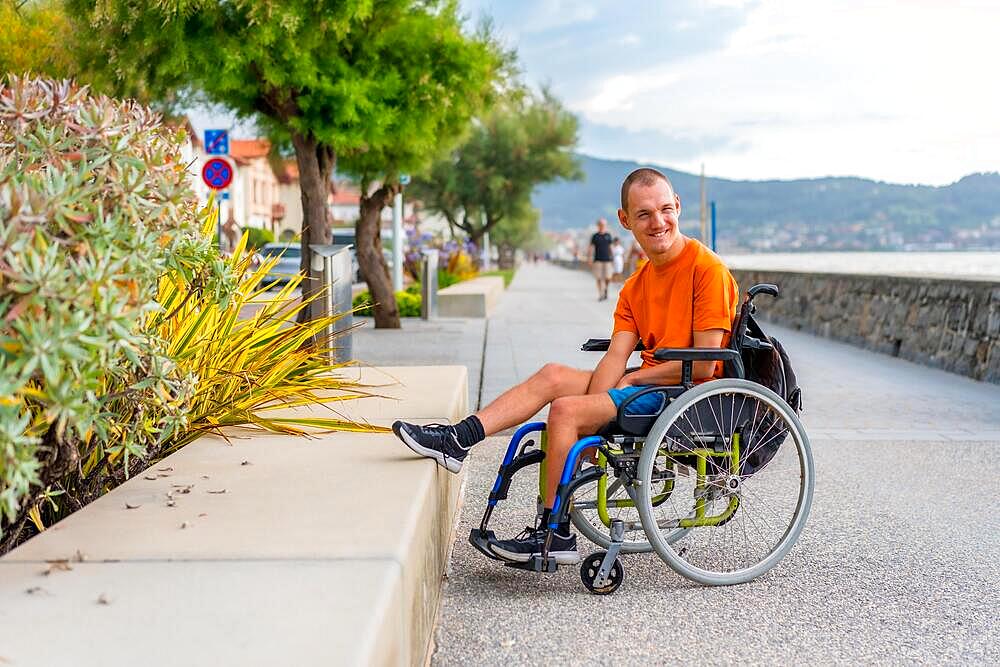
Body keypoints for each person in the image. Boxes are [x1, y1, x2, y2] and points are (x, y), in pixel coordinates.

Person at [392, 168, 739, 565]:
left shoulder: (706, 270)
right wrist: (601, 404)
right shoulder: (636, 284)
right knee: (553, 376)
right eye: (643, 214)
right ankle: (460, 439)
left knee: (565, 411)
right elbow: (615, 356)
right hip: (646, 384)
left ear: (677, 206)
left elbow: (706, 366)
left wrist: (623, 386)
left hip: (685, 394)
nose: (658, 222)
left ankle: (554, 532)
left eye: (664, 209)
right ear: (625, 220)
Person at [589, 219, 614, 300]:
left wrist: (613, 258)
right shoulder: (595, 236)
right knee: (599, 278)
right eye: (600, 224)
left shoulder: (608, 235)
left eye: (603, 224)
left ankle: (606, 289)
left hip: (607, 260)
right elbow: (592, 248)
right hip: (598, 259)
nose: (602, 226)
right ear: (598, 225)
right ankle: (601, 294)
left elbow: (611, 248)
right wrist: (590, 258)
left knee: (608, 277)